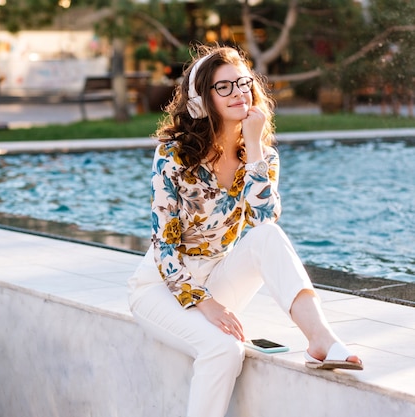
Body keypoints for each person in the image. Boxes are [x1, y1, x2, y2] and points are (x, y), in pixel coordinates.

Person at [127, 44, 363, 417]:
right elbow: (164, 245)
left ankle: (320, 339)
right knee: (223, 349)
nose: (239, 92)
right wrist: (204, 303)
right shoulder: (172, 156)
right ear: (201, 100)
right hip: (162, 287)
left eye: (243, 82)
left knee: (267, 237)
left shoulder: (261, 156)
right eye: (224, 87)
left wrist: (253, 144)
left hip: (218, 277)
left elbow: (264, 220)